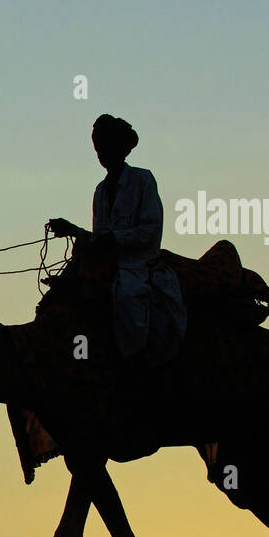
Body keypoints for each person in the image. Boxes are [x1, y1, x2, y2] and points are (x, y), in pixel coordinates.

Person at [48, 114, 186, 367]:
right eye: (97, 146)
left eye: (105, 144)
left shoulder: (143, 180)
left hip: (137, 266)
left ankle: (137, 363)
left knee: (127, 300)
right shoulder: (100, 191)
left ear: (120, 147)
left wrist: (113, 239)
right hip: (109, 264)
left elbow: (150, 231)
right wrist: (73, 230)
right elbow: (99, 237)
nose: (100, 152)